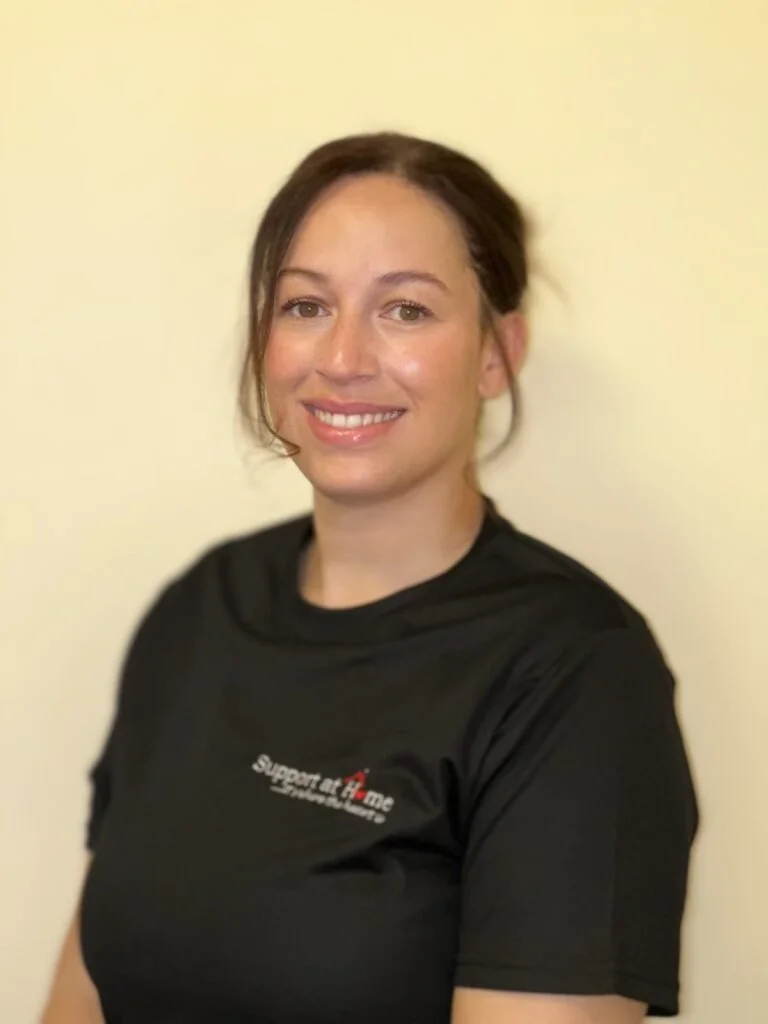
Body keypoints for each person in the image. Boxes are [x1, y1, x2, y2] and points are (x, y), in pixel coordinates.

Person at [41, 132, 698, 1024]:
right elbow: (82, 988)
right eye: (305, 306)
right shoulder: (202, 606)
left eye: (407, 311)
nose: (342, 357)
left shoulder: (575, 673)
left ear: (498, 353)